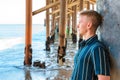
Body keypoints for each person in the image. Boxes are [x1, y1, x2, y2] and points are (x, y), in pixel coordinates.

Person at [71, 10, 110, 80]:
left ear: (89, 25)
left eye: (80, 22)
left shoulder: (97, 48)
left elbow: (104, 78)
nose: (77, 26)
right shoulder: (83, 46)